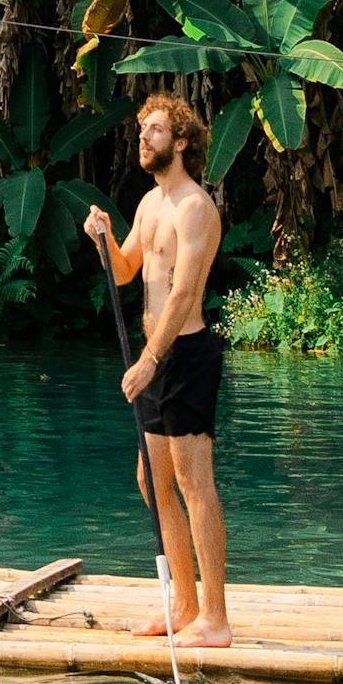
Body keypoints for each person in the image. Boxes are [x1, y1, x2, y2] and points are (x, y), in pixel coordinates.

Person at [84, 92, 230, 646]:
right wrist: (101, 238)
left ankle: (215, 618)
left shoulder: (195, 206)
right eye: (142, 130)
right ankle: (184, 604)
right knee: (153, 480)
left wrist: (149, 359)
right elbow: (124, 273)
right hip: (156, 364)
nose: (143, 137)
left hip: (184, 357)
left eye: (156, 130)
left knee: (196, 484)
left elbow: (185, 290)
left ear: (183, 142)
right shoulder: (148, 206)